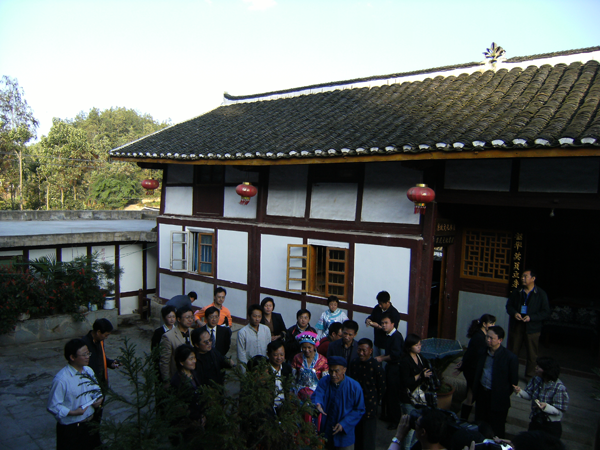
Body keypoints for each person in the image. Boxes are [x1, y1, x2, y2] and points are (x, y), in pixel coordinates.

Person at [47, 339, 103, 450]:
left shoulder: (88, 371)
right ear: (72, 357)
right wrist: (73, 412)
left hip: (90, 423)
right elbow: (53, 406)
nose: (87, 357)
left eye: (88, 353)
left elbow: (96, 390)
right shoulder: (62, 379)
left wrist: (98, 399)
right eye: (84, 354)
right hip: (72, 428)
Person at [472, 325, 519, 438]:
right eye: (487, 337)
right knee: (480, 424)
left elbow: (513, 381)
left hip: (498, 398)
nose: (488, 340)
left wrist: (502, 393)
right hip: (482, 394)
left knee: (497, 428)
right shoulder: (482, 352)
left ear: (500, 340)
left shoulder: (509, 357)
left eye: (491, 338)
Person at [312, 356, 366, 450]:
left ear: (344, 370)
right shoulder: (324, 381)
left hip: (345, 436)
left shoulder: (354, 387)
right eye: (331, 371)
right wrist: (318, 404)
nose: (333, 374)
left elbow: (359, 409)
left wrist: (344, 424)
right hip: (327, 432)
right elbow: (318, 394)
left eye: (336, 371)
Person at [506, 269, 550, 378]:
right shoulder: (517, 291)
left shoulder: (540, 294)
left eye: (525, 276)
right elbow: (509, 306)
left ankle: (530, 376)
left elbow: (545, 312)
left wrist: (532, 317)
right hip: (518, 325)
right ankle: (510, 373)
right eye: (522, 276)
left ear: (533, 278)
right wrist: (515, 313)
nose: (522, 278)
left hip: (532, 328)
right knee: (513, 351)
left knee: (532, 354)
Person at [513, 356, 569, 438]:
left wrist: (546, 407)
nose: (536, 368)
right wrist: (520, 392)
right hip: (536, 420)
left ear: (546, 370)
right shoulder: (536, 379)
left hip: (550, 424)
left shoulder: (559, 387)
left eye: (539, 367)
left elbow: (559, 410)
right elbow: (529, 395)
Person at [455, 313, 496, 420]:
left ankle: (463, 418)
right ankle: (464, 418)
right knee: (471, 395)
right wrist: (462, 365)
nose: (493, 326)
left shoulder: (482, 336)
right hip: (473, 370)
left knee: (471, 395)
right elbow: (471, 354)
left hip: (473, 369)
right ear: (484, 324)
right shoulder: (479, 337)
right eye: (491, 323)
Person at [398, 334, 435, 448]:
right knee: (409, 430)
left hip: (420, 397)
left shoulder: (420, 357)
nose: (419, 347)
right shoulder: (405, 361)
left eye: (420, 344)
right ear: (409, 346)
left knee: (417, 428)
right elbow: (405, 381)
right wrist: (420, 375)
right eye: (416, 345)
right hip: (408, 398)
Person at [349, 338, 385, 450]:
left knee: (368, 436)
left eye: (364, 350)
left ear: (370, 351)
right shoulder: (354, 363)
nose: (361, 353)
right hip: (354, 404)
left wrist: (375, 401)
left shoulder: (376, 366)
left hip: (369, 405)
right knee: (356, 435)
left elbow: (382, 387)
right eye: (359, 350)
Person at [169, 344, 203, 444]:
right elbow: (180, 408)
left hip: (198, 421)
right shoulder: (177, 381)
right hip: (186, 426)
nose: (194, 361)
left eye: (194, 358)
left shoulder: (194, 374)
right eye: (191, 359)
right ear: (181, 362)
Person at [378, 313, 405, 430]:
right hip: (390, 367)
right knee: (387, 392)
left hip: (395, 368)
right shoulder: (388, 335)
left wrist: (381, 358)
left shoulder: (396, 337)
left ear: (392, 324)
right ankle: (388, 415)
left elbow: (395, 355)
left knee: (393, 395)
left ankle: (395, 420)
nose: (384, 325)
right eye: (382, 323)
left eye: (386, 323)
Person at [160, 305, 194, 383]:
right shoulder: (168, 336)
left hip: (193, 376)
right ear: (179, 319)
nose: (190, 320)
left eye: (192, 317)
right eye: (187, 317)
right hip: (177, 377)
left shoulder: (193, 332)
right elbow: (165, 361)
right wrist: (167, 381)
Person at [291, 331, 329, 401]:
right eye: (304, 347)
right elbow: (293, 378)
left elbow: (325, 382)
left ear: (314, 346)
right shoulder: (297, 358)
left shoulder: (323, 360)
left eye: (309, 347)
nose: (307, 350)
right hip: (299, 394)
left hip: (316, 394)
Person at [81, 318, 118, 387]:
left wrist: (111, 363)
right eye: (106, 335)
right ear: (98, 332)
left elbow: (101, 357)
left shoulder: (100, 341)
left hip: (101, 381)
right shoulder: (84, 344)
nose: (106, 337)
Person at [366, 291, 401, 357]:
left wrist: (378, 326)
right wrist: (368, 320)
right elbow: (372, 317)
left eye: (381, 304)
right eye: (379, 303)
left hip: (386, 345)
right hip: (376, 342)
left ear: (388, 302)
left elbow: (392, 331)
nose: (379, 305)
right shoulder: (377, 308)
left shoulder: (394, 313)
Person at [267, 339, 293, 414]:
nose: (279, 358)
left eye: (282, 355)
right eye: (275, 355)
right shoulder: (265, 370)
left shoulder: (287, 368)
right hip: (269, 408)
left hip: (283, 407)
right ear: (268, 354)